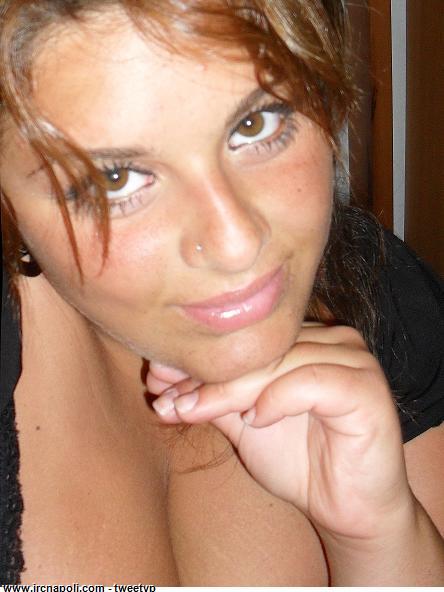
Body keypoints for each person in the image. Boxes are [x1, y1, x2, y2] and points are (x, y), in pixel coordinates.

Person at [1, 0, 443, 585]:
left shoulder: (381, 294)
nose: (237, 245)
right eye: (115, 179)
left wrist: (378, 535)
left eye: (256, 124)